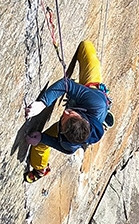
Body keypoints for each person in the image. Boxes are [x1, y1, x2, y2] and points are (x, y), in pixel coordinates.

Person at [24, 40, 112, 182]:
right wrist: (42, 103)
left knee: (39, 146)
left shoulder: (69, 144)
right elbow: (66, 84)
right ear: (82, 117)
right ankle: (81, 94)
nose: (64, 112)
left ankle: (40, 169)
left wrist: (42, 138)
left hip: (77, 114)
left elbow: (62, 147)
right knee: (86, 46)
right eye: (70, 113)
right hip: (91, 93)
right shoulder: (96, 104)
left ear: (64, 131)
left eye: (65, 118)